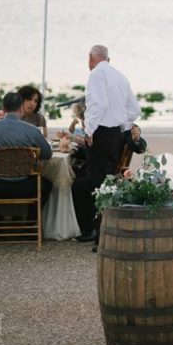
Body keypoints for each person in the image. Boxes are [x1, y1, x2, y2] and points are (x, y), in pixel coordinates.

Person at [72, 45, 140, 243]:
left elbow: (98, 104)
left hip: (101, 134)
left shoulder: (96, 74)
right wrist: (122, 124)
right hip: (115, 136)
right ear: (107, 59)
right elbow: (134, 109)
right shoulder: (120, 76)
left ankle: (93, 230)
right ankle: (101, 228)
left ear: (90, 58)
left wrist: (89, 129)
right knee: (103, 181)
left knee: (93, 183)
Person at [0, 92, 53, 221]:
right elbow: (47, 154)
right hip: (27, 186)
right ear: (21, 107)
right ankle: (31, 223)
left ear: (3, 108)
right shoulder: (32, 130)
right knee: (46, 184)